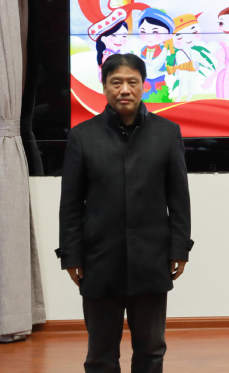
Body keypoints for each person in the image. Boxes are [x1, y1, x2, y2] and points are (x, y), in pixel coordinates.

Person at [57, 52, 192, 373]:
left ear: (144, 85)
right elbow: (71, 205)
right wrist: (71, 256)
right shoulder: (82, 136)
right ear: (104, 86)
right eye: (116, 82)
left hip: (152, 259)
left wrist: (179, 249)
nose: (125, 90)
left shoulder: (167, 133)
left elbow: (179, 199)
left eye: (132, 82)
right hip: (99, 259)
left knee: (151, 350)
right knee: (100, 354)